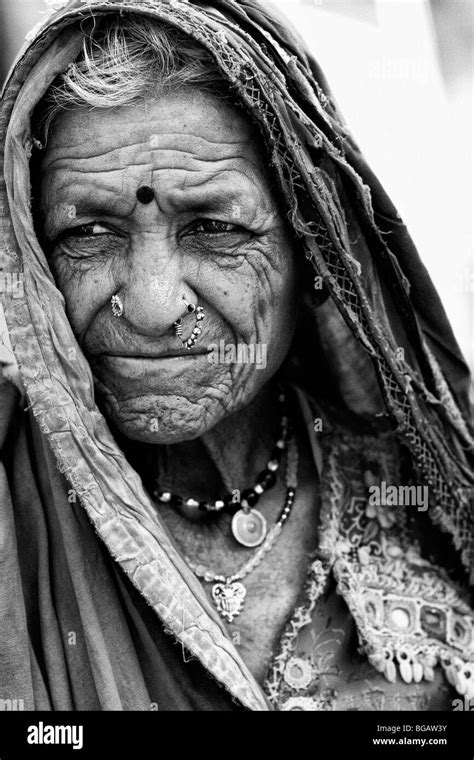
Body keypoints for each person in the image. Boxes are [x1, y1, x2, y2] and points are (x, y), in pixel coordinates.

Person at [0, 0, 472, 712]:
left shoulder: (422, 498)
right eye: (89, 232)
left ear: (314, 250)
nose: (154, 307)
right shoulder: (16, 501)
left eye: (215, 228)